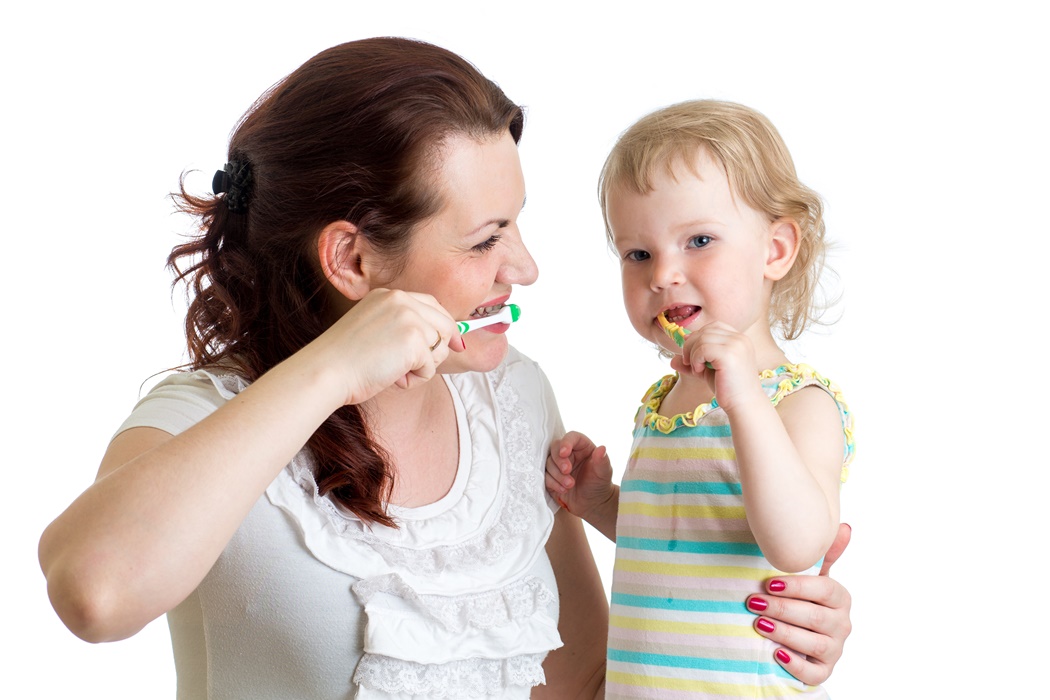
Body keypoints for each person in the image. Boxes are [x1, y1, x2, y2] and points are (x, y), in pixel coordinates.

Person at [38, 40, 852, 699]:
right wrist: (331, 370)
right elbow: (95, 596)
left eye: (517, 227)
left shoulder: (514, 396)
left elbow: (583, 685)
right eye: (485, 239)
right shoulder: (207, 412)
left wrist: (756, 638)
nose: (524, 268)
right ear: (353, 261)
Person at [545, 99, 855, 698]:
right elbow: (676, 539)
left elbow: (797, 545)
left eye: (699, 240)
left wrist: (746, 404)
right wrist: (602, 503)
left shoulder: (797, 403)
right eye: (638, 253)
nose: (662, 274)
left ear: (775, 250)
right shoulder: (662, 402)